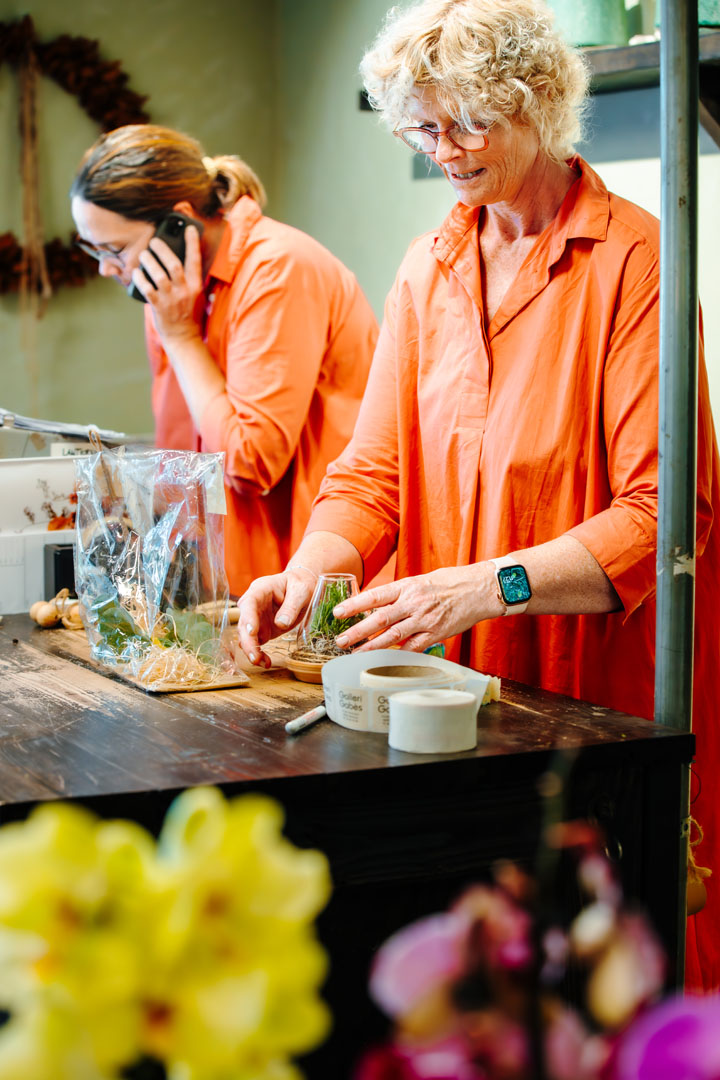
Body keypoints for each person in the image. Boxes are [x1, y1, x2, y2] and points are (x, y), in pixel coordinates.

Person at [237, 0, 720, 990]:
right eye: (419, 126)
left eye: (465, 122)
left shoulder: (637, 261)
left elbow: (665, 512)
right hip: (466, 696)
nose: (441, 150)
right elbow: (371, 478)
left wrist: (480, 589)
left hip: (605, 691)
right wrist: (307, 575)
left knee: (606, 979)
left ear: (538, 104)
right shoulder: (430, 266)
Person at [70, 125, 379, 595]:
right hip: (217, 575)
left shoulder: (278, 269)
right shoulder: (172, 291)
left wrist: (179, 336)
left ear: (179, 222)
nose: (106, 268)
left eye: (115, 250)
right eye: (94, 250)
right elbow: (181, 448)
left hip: (301, 575)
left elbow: (251, 464)